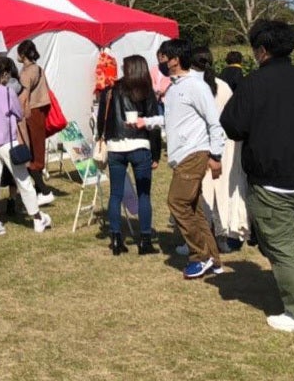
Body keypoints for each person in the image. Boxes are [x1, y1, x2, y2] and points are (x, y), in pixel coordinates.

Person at [221, 20, 294, 334]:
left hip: (272, 180)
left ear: (262, 50)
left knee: (284, 246)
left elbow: (232, 125)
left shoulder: (254, 84)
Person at [157, 39, 225, 279]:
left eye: (163, 58)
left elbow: (214, 123)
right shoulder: (174, 88)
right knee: (194, 208)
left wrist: (215, 155)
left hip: (194, 153)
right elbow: (174, 120)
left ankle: (200, 256)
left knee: (177, 202)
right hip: (181, 154)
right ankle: (214, 259)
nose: (161, 63)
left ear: (175, 60)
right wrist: (147, 122)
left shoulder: (196, 86)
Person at [0, 57, 51, 237]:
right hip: (6, 141)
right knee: (23, 180)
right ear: (4, 74)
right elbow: (19, 113)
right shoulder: (7, 92)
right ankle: (37, 218)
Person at [95, 54, 160, 256]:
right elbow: (153, 124)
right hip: (140, 144)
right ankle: (145, 240)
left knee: (115, 194)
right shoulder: (146, 90)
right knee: (143, 194)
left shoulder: (110, 90)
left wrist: (101, 138)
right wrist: (156, 154)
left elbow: (101, 120)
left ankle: (116, 239)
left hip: (115, 146)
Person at [193, 47, 249, 252]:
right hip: (224, 145)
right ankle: (222, 235)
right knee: (221, 191)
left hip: (202, 145)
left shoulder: (193, 86)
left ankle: (204, 237)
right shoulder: (222, 86)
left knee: (201, 191)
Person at [16, 39, 53, 204]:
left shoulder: (26, 72)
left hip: (30, 112)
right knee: (36, 149)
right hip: (40, 111)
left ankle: (44, 191)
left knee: (30, 152)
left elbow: (23, 97)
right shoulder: (38, 69)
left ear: (23, 54)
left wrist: (18, 113)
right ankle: (41, 190)